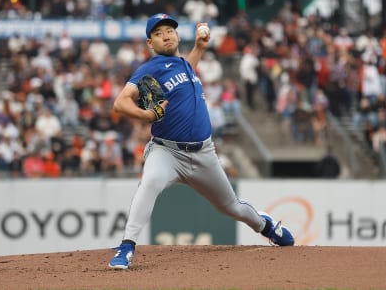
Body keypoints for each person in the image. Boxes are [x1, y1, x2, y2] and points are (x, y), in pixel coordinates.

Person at [107, 13, 294, 270]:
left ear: (177, 35)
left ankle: (267, 227)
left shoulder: (183, 64)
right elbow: (120, 102)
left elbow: (185, 71)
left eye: (169, 30)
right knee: (149, 183)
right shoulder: (150, 68)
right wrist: (145, 114)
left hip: (204, 153)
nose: (166, 35)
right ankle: (126, 246)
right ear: (150, 43)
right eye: (159, 33)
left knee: (231, 207)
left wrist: (199, 48)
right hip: (167, 152)